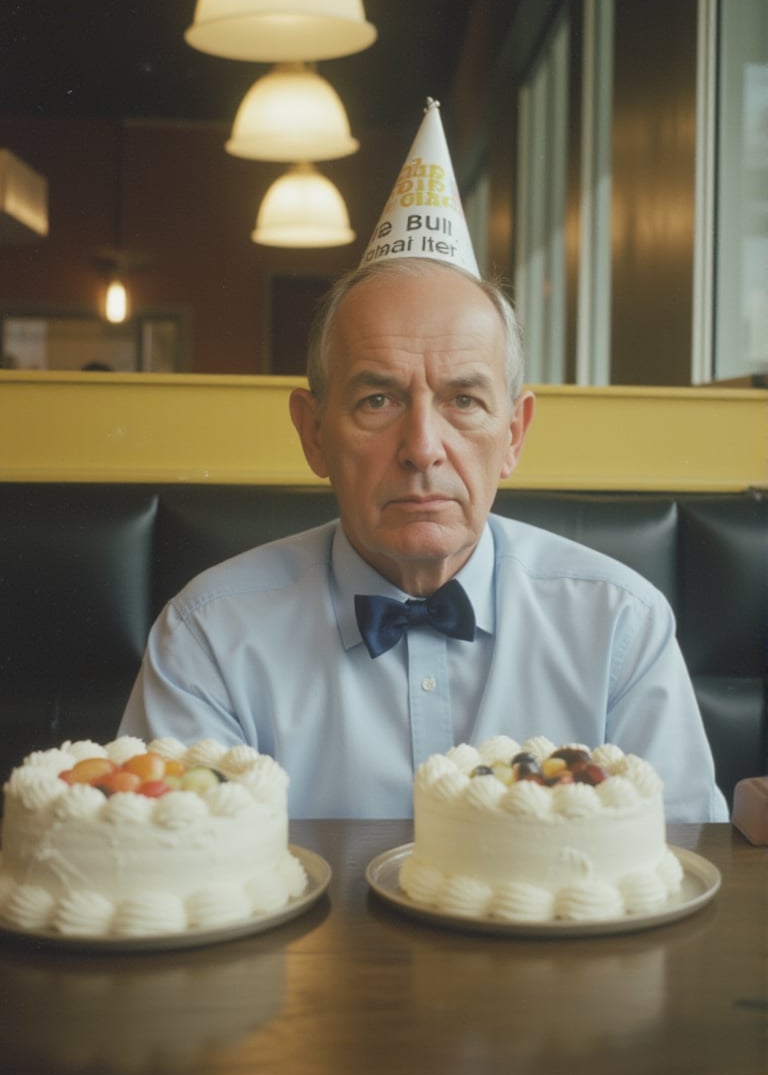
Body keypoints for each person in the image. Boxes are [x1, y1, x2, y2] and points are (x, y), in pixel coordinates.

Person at [120, 103, 728, 823]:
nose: (422, 447)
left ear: (514, 432)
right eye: (377, 399)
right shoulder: (209, 637)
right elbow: (170, 862)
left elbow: (682, 863)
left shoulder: (621, 627)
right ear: (313, 433)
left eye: (464, 401)